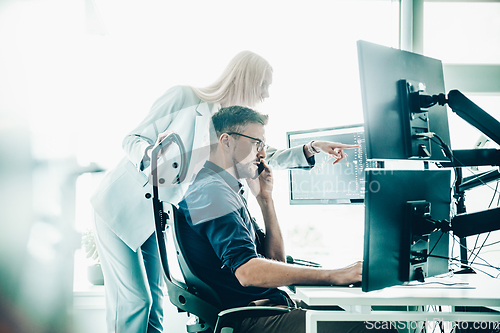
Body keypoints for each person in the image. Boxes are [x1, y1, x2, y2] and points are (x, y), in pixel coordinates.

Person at [90, 51, 357, 333]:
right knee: (135, 303)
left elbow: (263, 154)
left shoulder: (229, 127)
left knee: (155, 306)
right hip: (120, 208)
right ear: (247, 78)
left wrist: (311, 148)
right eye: (264, 85)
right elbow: (132, 138)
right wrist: (151, 155)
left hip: (155, 220)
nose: (265, 94)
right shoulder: (184, 98)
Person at [177, 106, 397, 333]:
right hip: (248, 318)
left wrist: (265, 200)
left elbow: (274, 260)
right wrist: (335, 275)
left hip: (264, 309)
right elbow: (248, 272)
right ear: (226, 142)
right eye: (256, 144)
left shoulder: (223, 189)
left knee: (367, 320)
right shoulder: (211, 192)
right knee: (377, 328)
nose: (262, 154)